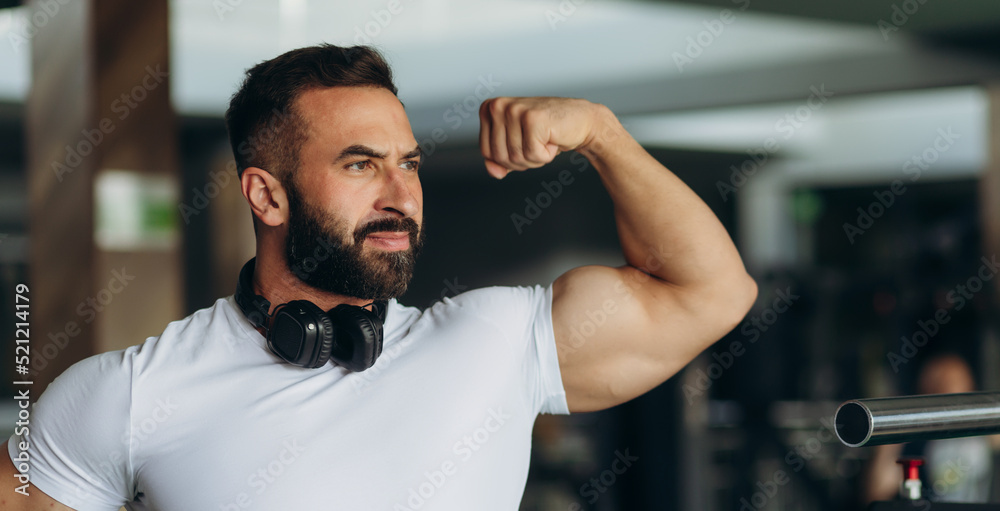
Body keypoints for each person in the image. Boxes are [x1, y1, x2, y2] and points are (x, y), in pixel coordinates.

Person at [1, 44, 757, 510]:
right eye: (361, 164)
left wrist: (601, 133)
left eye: (409, 164)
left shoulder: (494, 343)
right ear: (266, 194)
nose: (400, 194)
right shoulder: (129, 394)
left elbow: (712, 291)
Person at [862, 352, 994, 504]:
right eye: (937, 382)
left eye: (952, 381)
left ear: (969, 386)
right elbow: (877, 494)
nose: (945, 388)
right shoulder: (913, 440)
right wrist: (888, 432)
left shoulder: (983, 428)